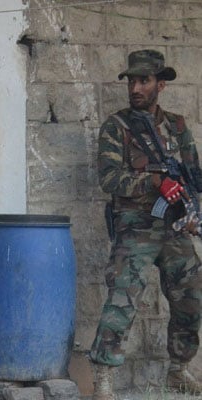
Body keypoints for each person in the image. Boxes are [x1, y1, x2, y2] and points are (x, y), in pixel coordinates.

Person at [90, 49, 202, 399]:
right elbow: (109, 179)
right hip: (135, 227)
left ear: (160, 85)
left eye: (144, 81)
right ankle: (104, 376)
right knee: (122, 297)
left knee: (192, 295)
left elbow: (193, 177)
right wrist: (154, 182)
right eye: (132, 81)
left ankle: (178, 369)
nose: (135, 88)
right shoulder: (117, 127)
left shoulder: (178, 127)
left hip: (173, 227)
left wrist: (192, 213)